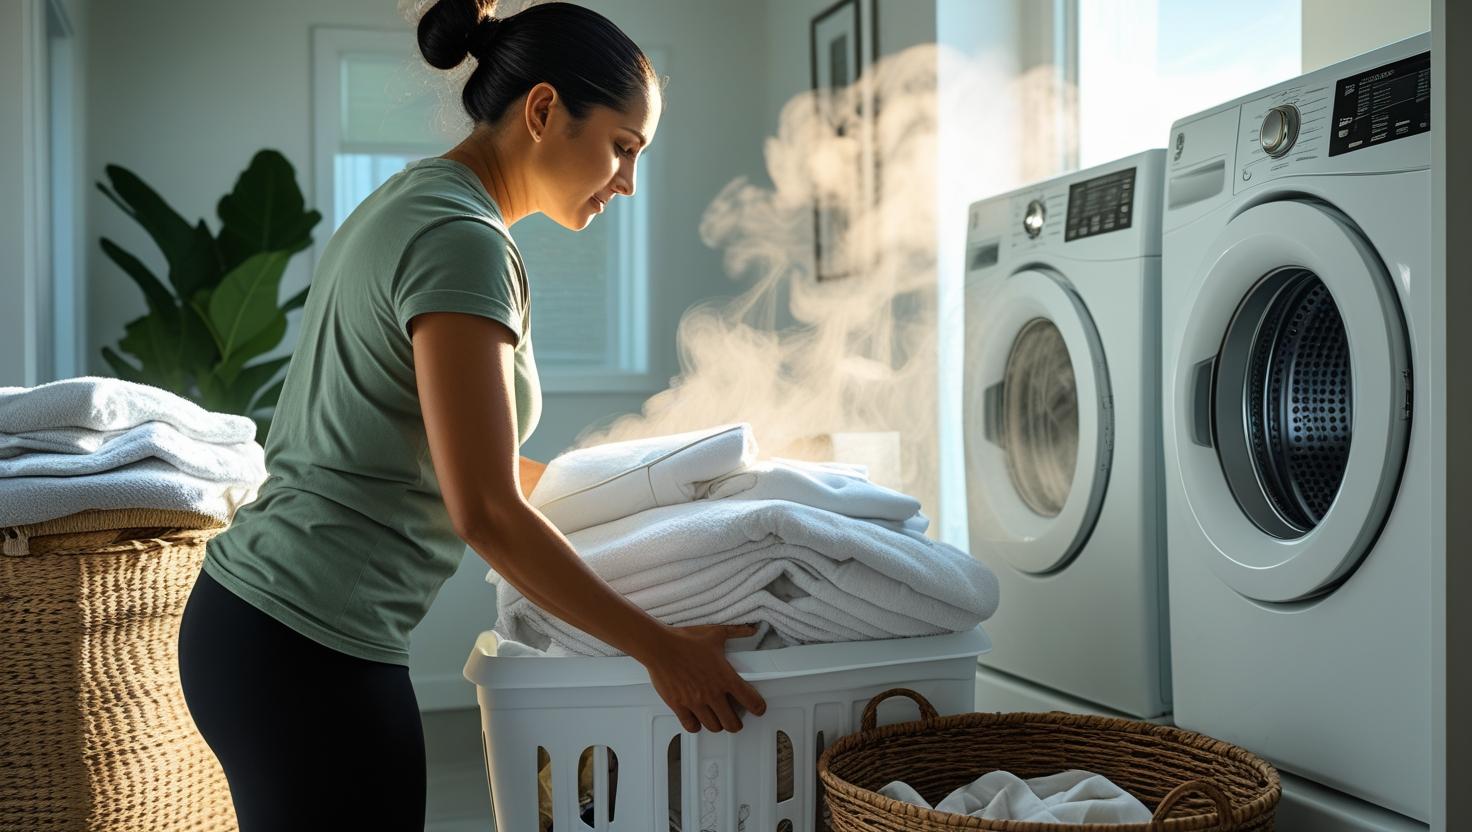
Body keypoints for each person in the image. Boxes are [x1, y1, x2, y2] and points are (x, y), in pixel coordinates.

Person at [176, 2, 766, 828]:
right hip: (304, 645)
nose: (627, 181)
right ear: (542, 111)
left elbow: (446, 458)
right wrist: (662, 652)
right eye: (623, 147)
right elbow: (484, 509)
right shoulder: (463, 241)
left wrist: (645, 497)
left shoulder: (420, 201)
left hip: (266, 628)